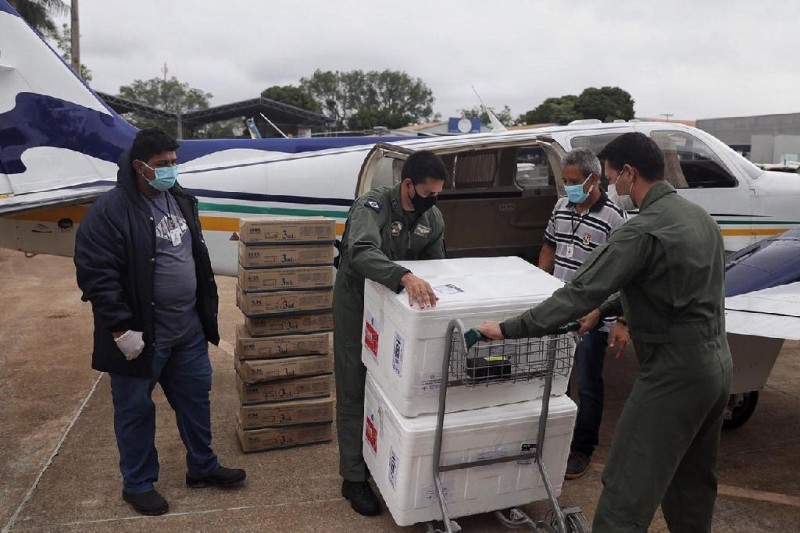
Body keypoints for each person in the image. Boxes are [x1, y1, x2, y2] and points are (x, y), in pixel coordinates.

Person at [477, 132, 732, 533]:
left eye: (613, 177)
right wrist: (606, 310)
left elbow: (579, 291)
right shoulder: (700, 219)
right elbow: (667, 288)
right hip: (716, 369)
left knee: (625, 488)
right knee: (692, 483)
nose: (614, 187)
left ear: (629, 173)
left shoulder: (640, 230)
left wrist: (511, 329)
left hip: (672, 375)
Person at [74, 129, 245, 517]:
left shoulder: (180, 199)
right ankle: (137, 484)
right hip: (139, 336)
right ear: (139, 167)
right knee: (135, 411)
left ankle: (202, 466)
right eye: (162, 165)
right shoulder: (111, 211)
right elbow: (95, 273)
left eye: (174, 162)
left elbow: (193, 257)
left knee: (195, 402)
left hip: (186, 330)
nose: (171, 170)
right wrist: (120, 329)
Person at [334, 150, 448, 516]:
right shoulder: (373, 207)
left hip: (397, 309)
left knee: (394, 386)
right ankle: (353, 477)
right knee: (355, 384)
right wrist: (404, 276)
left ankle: (383, 457)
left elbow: (440, 267)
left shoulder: (433, 218)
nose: (433, 200)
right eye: (428, 193)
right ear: (409, 184)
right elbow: (362, 251)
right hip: (358, 303)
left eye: (438, 194)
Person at [538, 148, 628, 480]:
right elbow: (549, 247)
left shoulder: (615, 218)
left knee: (588, 384)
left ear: (594, 179)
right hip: (560, 309)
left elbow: (624, 273)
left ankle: (582, 448)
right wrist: (537, 288)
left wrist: (620, 319)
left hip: (592, 318)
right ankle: (550, 440)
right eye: (565, 181)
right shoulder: (561, 207)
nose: (569, 188)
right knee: (554, 378)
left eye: (574, 182)